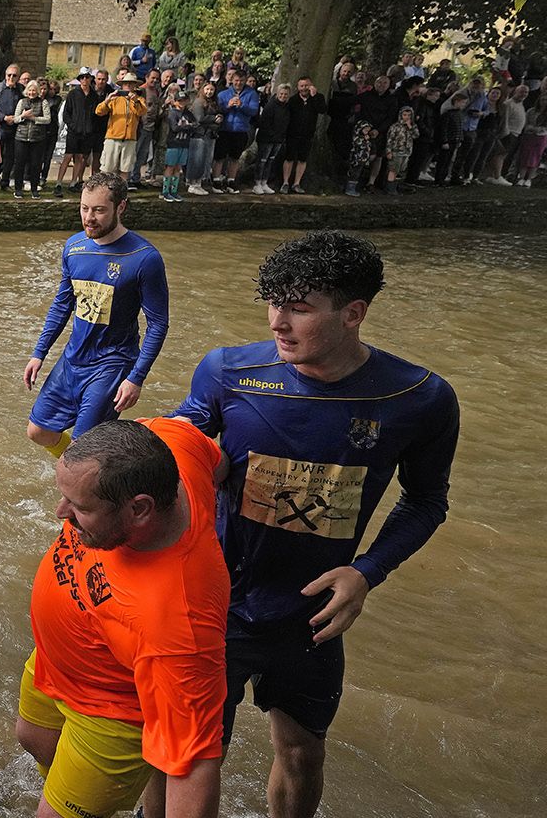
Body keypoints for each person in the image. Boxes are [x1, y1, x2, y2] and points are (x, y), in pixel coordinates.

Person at [171, 231, 459, 818]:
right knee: (193, 759)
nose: (279, 322)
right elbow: (181, 447)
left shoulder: (419, 397)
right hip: (216, 604)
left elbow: (427, 499)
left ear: (354, 314)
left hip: (314, 616)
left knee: (302, 752)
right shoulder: (228, 372)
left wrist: (366, 572)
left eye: (299, 308)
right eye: (274, 303)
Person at [16, 418, 229, 818]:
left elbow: (193, 763)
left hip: (111, 713)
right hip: (60, 658)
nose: (61, 513)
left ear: (140, 508)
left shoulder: (178, 624)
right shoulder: (168, 444)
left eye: (80, 507)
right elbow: (217, 462)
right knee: (33, 737)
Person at [24, 174, 170, 457]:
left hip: (112, 362)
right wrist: (38, 353)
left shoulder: (144, 258)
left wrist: (136, 377)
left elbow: (158, 324)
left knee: (84, 450)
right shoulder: (75, 247)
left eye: (99, 210)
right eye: (84, 208)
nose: (89, 217)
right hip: (73, 359)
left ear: (121, 207)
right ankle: (89, 478)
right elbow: (62, 304)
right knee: (39, 431)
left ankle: (83, 490)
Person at [96, 72, 145, 179]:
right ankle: (105, 194)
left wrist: (134, 100)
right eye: (126, 83)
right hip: (112, 138)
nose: (128, 86)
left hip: (130, 139)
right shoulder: (115, 98)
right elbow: (99, 111)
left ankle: (121, 193)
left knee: (125, 169)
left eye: (131, 83)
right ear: (122, 85)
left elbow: (142, 112)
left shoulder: (139, 100)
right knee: (107, 169)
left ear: (135, 86)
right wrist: (107, 100)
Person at [13, 79, 54, 199]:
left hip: (37, 138)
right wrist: (23, 116)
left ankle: (34, 188)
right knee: (19, 164)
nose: (32, 92)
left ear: (37, 91)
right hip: (21, 137)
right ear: (27, 91)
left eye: (34, 90)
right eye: (30, 90)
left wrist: (33, 118)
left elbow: (47, 119)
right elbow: (15, 119)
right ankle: (18, 189)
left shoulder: (43, 102)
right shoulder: (22, 102)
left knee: (36, 165)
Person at [160, 84, 198, 203]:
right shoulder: (172, 113)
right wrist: (188, 126)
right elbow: (175, 128)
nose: (181, 102)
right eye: (179, 100)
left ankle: (174, 190)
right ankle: (165, 191)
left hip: (184, 143)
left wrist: (188, 126)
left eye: (184, 100)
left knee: (178, 168)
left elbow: (195, 125)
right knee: (170, 166)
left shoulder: (188, 113)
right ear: (175, 101)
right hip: (173, 143)